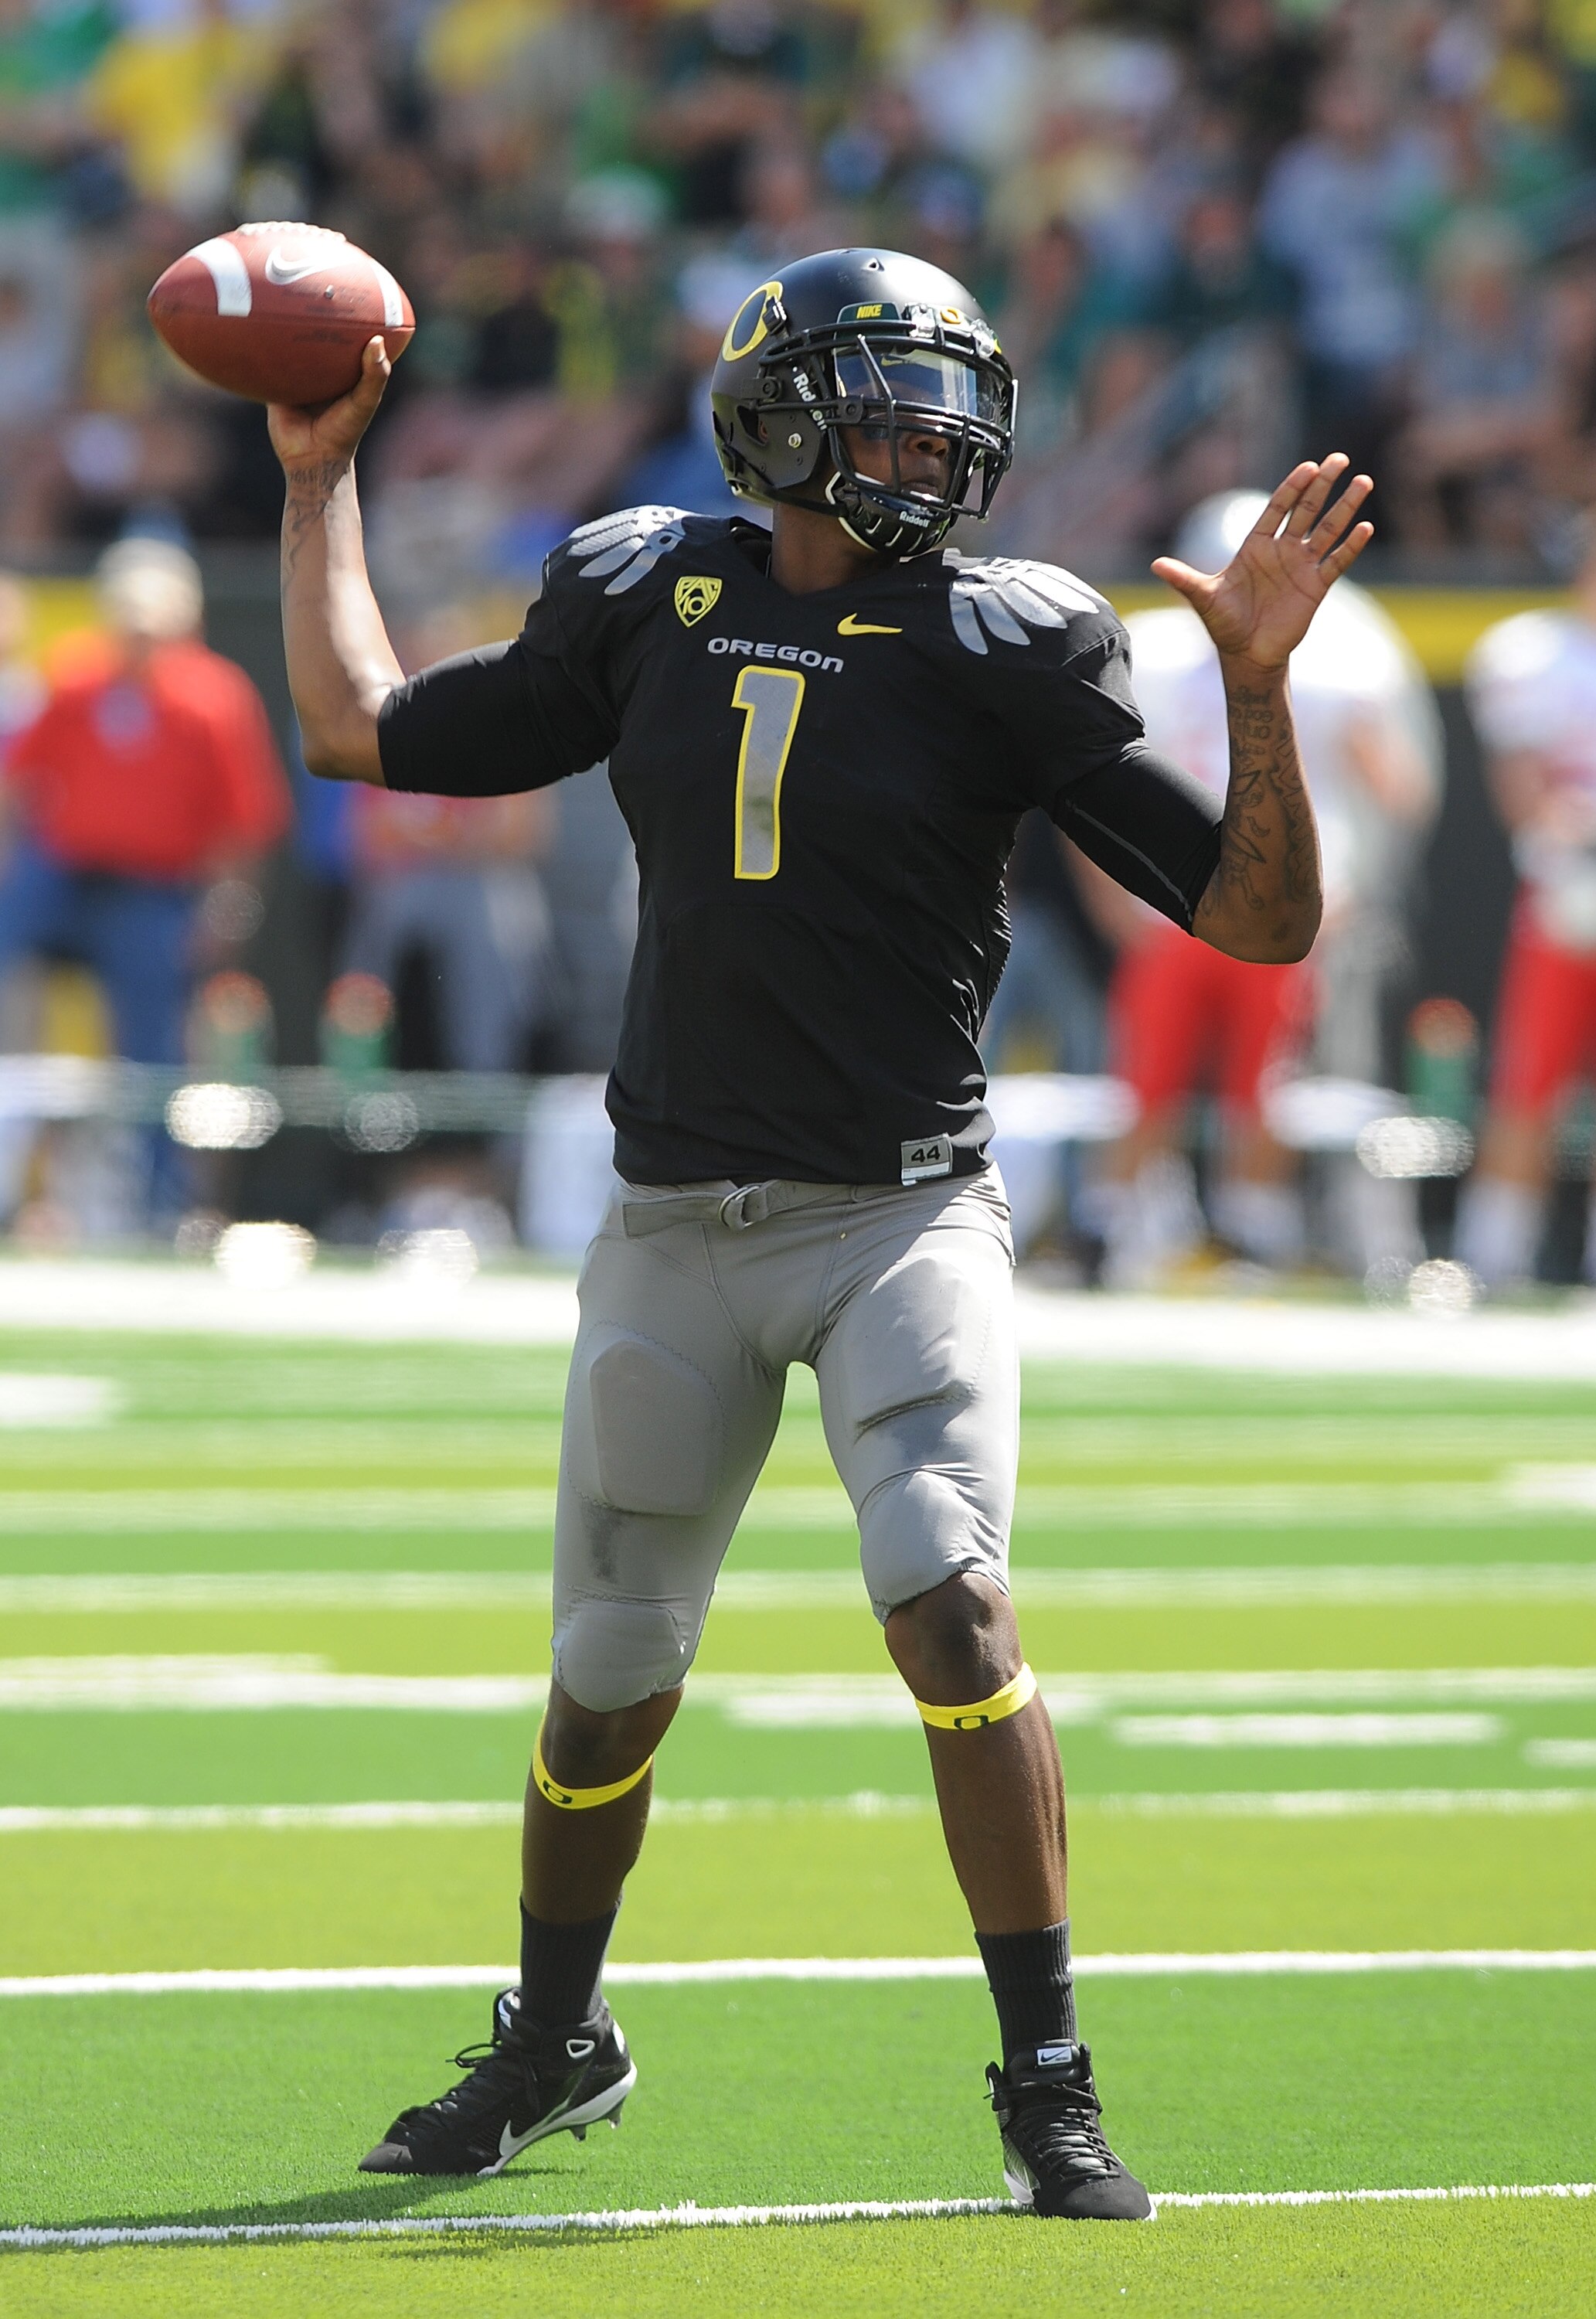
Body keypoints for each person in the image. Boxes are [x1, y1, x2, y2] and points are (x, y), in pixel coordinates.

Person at [271, 247, 1369, 2220]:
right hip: (674, 1217)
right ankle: (552, 2036)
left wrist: (1259, 692)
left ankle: (1048, 2077)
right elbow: (364, 727)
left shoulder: (1001, 640)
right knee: (606, 1675)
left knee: (950, 1597)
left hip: (898, 1213)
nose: (931, 445)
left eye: (947, 408)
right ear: (774, 416)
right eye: (883, 404)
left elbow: (1263, 920)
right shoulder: (645, 593)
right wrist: (312, 479)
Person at [1087, 489, 1440, 1284]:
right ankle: (1150, 1228)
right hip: (1191, 903)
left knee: (1250, 1080)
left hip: (1199, 900)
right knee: (1171, 1076)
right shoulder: (1334, 648)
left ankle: (1194, 1231)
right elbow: (1401, 792)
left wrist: (1342, 884)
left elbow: (1394, 790)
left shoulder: (1331, 650)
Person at [0, 536, 288, 1160]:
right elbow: (21, 784)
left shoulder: (215, 698)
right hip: (63, 876)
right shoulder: (76, 677)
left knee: (153, 1044)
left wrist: (223, 914)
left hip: (154, 890)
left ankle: (161, 1198)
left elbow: (246, 824)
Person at [1456, 531, 1596, 1287]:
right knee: (1529, 1083)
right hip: (1566, 892)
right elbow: (1527, 794)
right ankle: (1497, 1253)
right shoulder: (1535, 654)